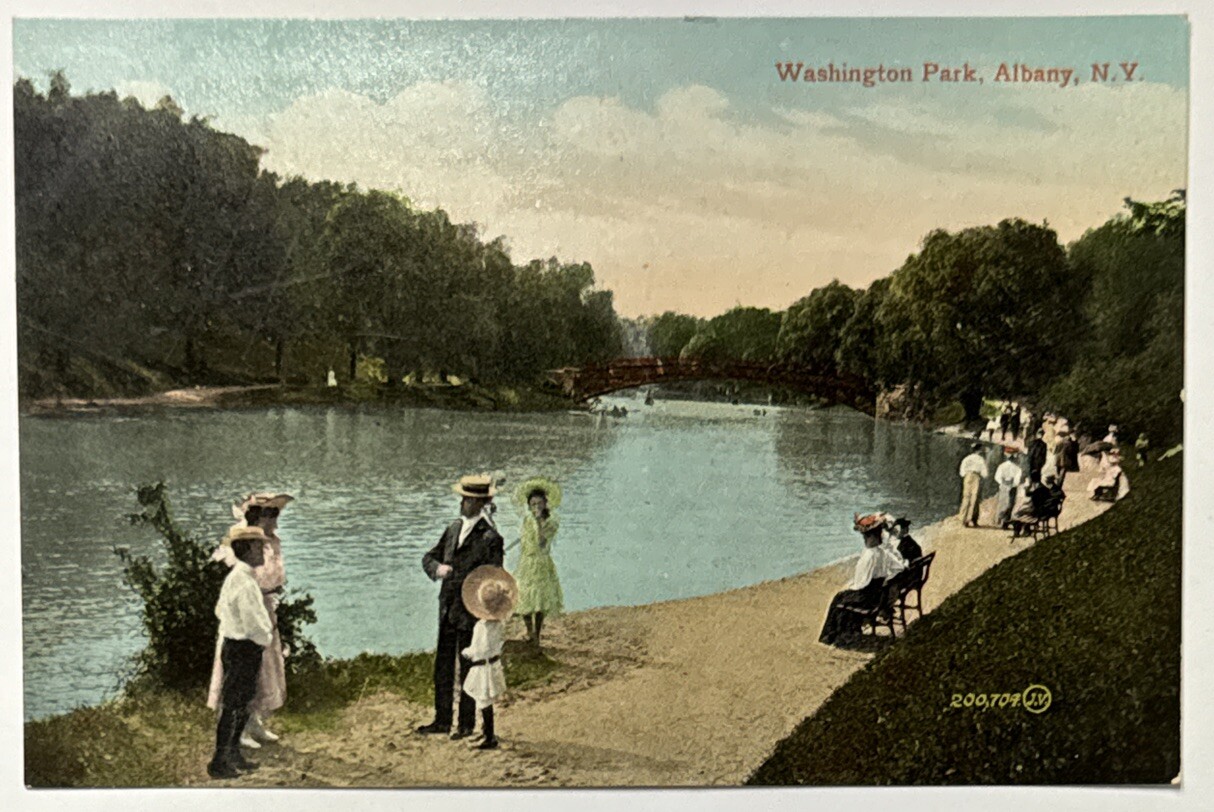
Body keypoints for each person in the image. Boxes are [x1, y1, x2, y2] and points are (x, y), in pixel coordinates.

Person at [417, 474, 505, 739]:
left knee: (469, 667)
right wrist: (438, 569)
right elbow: (429, 556)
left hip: (472, 612)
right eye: (463, 498)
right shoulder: (454, 527)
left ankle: (466, 725)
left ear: (479, 503)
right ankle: (442, 720)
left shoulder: (491, 538)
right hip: (447, 608)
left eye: (467, 499)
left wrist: (484, 607)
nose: (462, 503)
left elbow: (495, 579)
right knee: (442, 666)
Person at [207, 492, 293, 749]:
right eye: (272, 514)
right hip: (246, 613)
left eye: (276, 514)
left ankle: (255, 721)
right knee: (245, 671)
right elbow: (235, 573)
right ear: (259, 516)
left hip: (266, 605)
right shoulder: (243, 539)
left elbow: (275, 577)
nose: (275, 521)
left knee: (265, 667)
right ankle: (239, 730)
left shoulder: (273, 542)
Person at [207, 527, 274, 779]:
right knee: (234, 703)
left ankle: (232, 754)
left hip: (236, 645)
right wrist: (264, 637)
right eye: (258, 547)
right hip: (243, 646)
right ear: (246, 551)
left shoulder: (237, 577)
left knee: (242, 701)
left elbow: (219, 611)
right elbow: (254, 623)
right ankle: (219, 761)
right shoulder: (244, 582)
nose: (263, 552)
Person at [819, 513, 906, 646]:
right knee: (843, 596)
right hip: (878, 594)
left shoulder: (869, 556)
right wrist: (887, 579)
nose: (864, 539)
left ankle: (832, 636)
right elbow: (900, 567)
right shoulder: (883, 553)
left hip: (868, 597)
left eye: (866, 536)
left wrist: (850, 587)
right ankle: (849, 630)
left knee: (839, 598)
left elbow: (860, 584)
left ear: (871, 537)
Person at [459, 565, 518, 751]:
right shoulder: (498, 624)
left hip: (482, 667)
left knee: (483, 701)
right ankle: (487, 732)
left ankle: (489, 737)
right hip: (493, 665)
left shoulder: (481, 627)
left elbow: (479, 649)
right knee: (485, 702)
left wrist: (467, 652)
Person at [508, 476, 565, 651]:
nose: (536, 507)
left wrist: (540, 522)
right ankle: (529, 631)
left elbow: (541, 542)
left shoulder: (551, 522)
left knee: (539, 601)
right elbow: (525, 540)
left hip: (541, 562)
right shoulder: (527, 520)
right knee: (523, 597)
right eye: (533, 504)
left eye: (539, 504)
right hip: (527, 562)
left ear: (545, 504)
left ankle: (537, 635)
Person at [957, 443, 988, 527]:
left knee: (966, 497)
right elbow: (984, 472)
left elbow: (962, 471)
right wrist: (983, 476)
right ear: (979, 450)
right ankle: (973, 519)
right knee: (975, 498)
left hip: (967, 476)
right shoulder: (980, 459)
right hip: (976, 476)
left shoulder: (967, 458)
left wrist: (966, 475)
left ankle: (963, 519)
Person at [994, 447, 1023, 529]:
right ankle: (1005, 522)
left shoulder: (1001, 466)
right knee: (1010, 504)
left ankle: (1000, 521)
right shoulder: (1017, 468)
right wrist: (1011, 485)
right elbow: (1017, 480)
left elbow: (997, 477)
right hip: (1012, 487)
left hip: (1003, 486)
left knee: (1002, 503)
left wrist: (1003, 483)